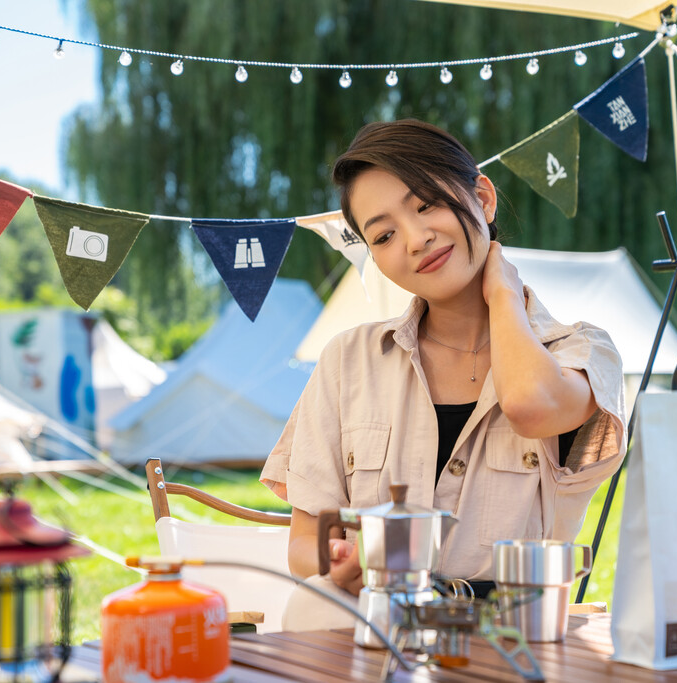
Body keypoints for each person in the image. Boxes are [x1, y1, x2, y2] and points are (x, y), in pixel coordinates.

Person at [260, 118, 627, 630]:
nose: (415, 240)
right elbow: (305, 543)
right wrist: (340, 561)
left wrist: (503, 295)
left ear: (483, 197)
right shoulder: (348, 360)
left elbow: (530, 405)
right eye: (384, 235)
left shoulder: (583, 353)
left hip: (516, 643)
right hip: (374, 641)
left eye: (426, 204)